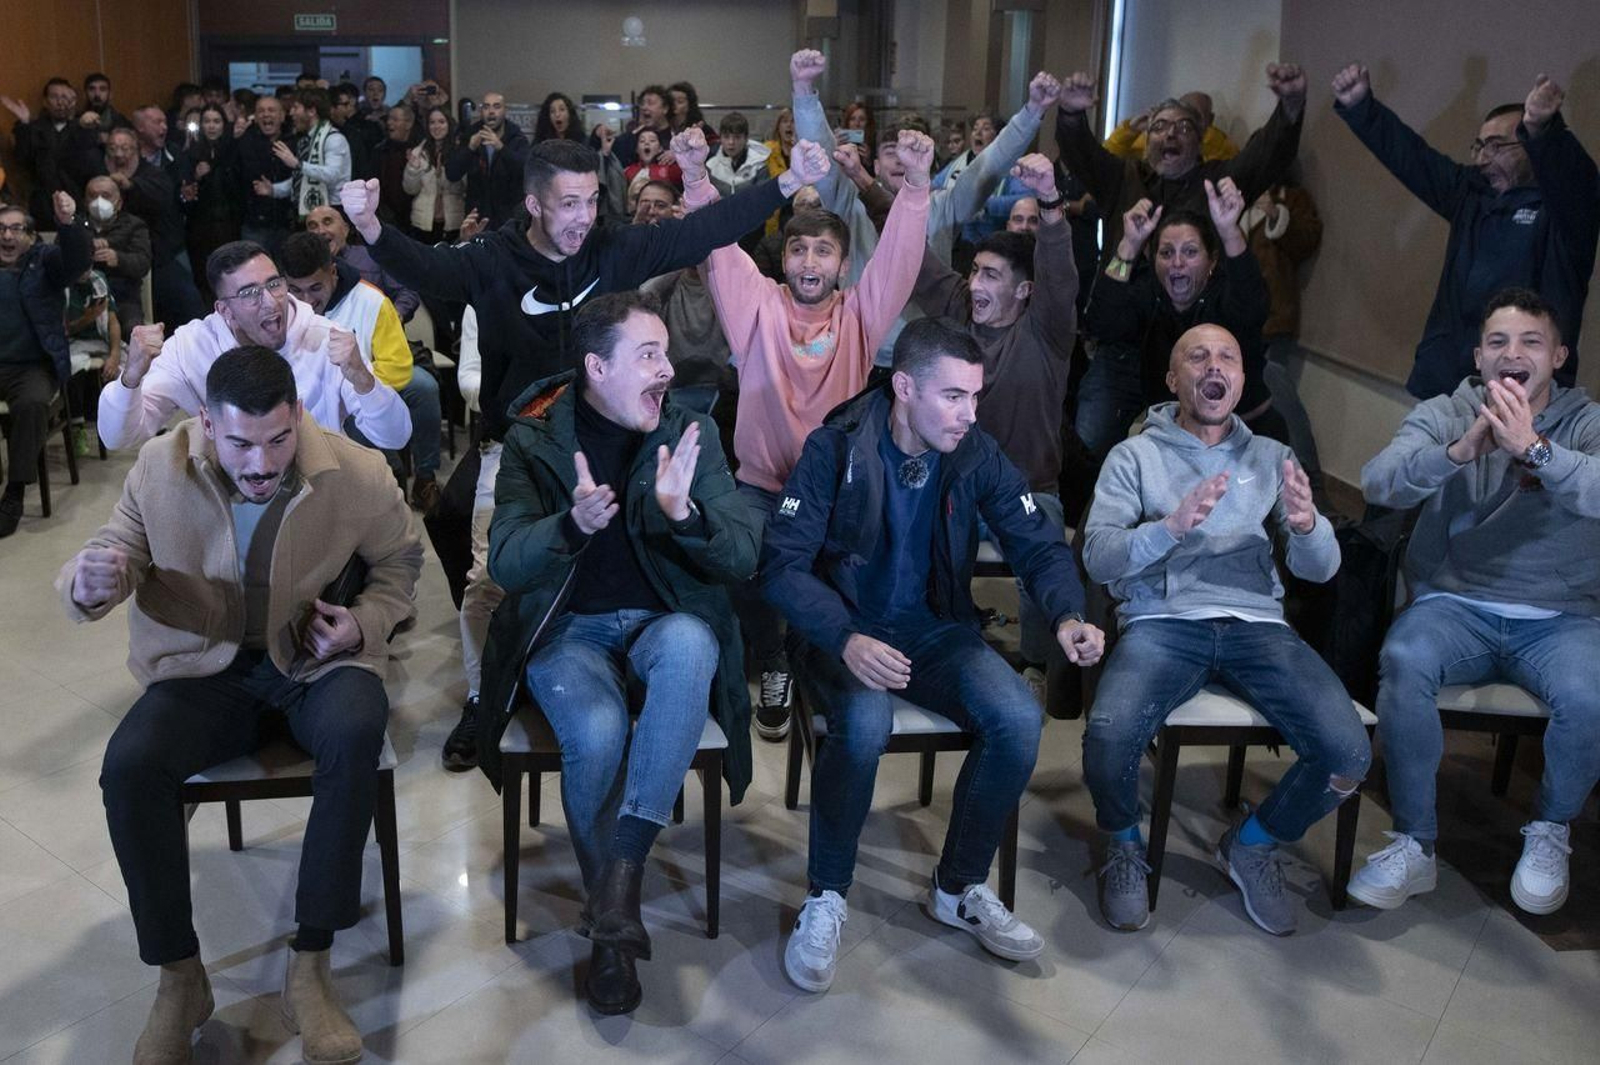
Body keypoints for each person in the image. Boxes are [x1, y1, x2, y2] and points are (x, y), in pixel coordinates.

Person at [346, 129, 833, 768]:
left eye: (591, 202)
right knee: (488, 583)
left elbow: (703, 231)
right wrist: (370, 226)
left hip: (613, 441)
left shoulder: (613, 250)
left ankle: (639, 672)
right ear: (534, 204)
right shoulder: (492, 258)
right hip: (519, 445)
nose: (584, 218)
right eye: (569, 204)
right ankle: (483, 695)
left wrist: (783, 182)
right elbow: (428, 267)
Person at [62, 346, 420, 1065]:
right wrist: (89, 582)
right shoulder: (160, 466)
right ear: (206, 424)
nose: (261, 462)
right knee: (130, 765)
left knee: (356, 731)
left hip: (316, 658)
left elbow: (400, 562)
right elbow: (117, 551)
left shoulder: (356, 471)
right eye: (241, 443)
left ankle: (311, 963)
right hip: (204, 667)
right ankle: (180, 977)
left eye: (279, 439)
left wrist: (365, 622)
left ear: (298, 418)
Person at [761, 318, 1105, 992]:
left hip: (930, 628)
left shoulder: (973, 451)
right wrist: (844, 637)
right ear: (904, 388)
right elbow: (781, 566)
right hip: (841, 628)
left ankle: (957, 887)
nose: (969, 414)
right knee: (863, 724)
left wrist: (1066, 611)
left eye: (975, 397)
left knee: (1016, 717)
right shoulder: (835, 447)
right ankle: (826, 895)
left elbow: (1035, 538)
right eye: (953, 397)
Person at [474, 290, 756, 1014]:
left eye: (666, 352)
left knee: (694, 642)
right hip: (568, 629)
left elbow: (743, 552)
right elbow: (505, 562)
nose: (666, 370)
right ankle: (610, 927)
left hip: (664, 621)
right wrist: (568, 527)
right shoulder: (535, 438)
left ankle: (620, 877)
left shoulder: (691, 431)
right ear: (597, 366)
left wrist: (683, 514)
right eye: (649, 354)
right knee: (597, 731)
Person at [1081, 322, 1368, 936]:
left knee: (1348, 753)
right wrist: (1171, 527)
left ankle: (1253, 842)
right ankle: (1125, 844)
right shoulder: (1135, 456)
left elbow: (1318, 572)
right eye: (1198, 356)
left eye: (1227, 358)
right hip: (1162, 623)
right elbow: (1099, 558)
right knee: (1107, 738)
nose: (1214, 366)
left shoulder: (1271, 457)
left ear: (1240, 379)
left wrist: (1310, 524)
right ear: (1173, 378)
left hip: (1257, 626)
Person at [1354, 287, 1600, 917]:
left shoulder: (1585, 422)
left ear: (1558, 356)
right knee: (1405, 658)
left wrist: (1535, 451)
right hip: (1455, 604)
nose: (1511, 354)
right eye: (1497, 342)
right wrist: (1461, 451)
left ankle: (1550, 830)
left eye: (1530, 342)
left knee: (1591, 694)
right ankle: (1415, 842)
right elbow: (1380, 479)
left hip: (1561, 618)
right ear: (1478, 355)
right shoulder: (1448, 410)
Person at [685, 125, 933, 739]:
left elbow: (900, 259)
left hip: (835, 494)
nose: (810, 263)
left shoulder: (861, 313)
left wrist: (919, 185)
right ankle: (770, 659)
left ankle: (819, 661)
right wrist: (693, 177)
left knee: (848, 579)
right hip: (763, 487)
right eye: (799, 251)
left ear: (843, 264)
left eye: (824, 252)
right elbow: (719, 246)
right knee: (740, 555)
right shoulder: (757, 307)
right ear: (785, 257)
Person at [1056, 66, 1307, 460]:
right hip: (1125, 349)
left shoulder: (1218, 182)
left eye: (1183, 127)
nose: (1170, 134)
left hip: (1199, 345)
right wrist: (1071, 115)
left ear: (1201, 140)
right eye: (1159, 127)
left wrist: (1290, 106)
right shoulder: (1121, 178)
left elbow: (1267, 153)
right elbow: (1081, 153)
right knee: (1092, 445)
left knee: (1256, 421)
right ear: (1145, 139)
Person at [911, 152, 1079, 695]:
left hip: (1028, 490)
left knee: (1044, 544)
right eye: (973, 270)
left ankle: (1034, 663)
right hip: (955, 486)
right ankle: (941, 641)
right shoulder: (963, 312)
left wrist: (1050, 202)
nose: (974, 281)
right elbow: (910, 258)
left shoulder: (1046, 330)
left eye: (990, 274)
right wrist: (875, 186)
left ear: (1024, 290)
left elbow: (1060, 274)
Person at [1332, 67, 1598, 399]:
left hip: (1524, 397)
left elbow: (1579, 184)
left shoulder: (1564, 214)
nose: (1484, 159)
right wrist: (1361, 107)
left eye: (1497, 146)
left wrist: (1544, 129)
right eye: (1480, 147)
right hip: (1443, 386)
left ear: (1530, 145)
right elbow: (1414, 159)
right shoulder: (1470, 194)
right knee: (1413, 454)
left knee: (1538, 454)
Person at [97, 240, 410, 453]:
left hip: (314, 491)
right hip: (224, 496)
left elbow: (395, 436)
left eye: (274, 284)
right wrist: (131, 378)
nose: (270, 301)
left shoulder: (326, 337)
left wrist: (363, 379)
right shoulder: (191, 346)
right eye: (249, 293)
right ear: (224, 310)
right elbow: (119, 437)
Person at [1087, 177, 1286, 444]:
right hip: (1176, 438)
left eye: (1190, 252)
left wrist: (1229, 231)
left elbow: (1252, 303)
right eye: (1166, 253)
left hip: (1247, 435)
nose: (1177, 263)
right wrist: (1129, 246)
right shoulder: (1149, 294)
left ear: (1211, 261)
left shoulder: (1226, 295)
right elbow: (1102, 321)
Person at [279, 230, 443, 511]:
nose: (306, 301)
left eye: (315, 288)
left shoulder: (372, 302)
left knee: (385, 455)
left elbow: (399, 368)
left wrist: (354, 384)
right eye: (295, 290)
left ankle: (422, 479)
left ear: (332, 271)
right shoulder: (275, 307)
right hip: (298, 410)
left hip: (359, 401)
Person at [0, 193, 87, 537]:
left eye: (15, 229)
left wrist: (68, 224)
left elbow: (78, 261)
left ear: (30, 235)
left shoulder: (45, 261)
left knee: (33, 404)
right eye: (1, 229)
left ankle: (14, 494)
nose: (7, 236)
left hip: (33, 366)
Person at [1246, 182, 1323, 488]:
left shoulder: (1290, 197)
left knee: (1274, 394)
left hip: (1274, 317)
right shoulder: (1232, 190)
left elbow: (1305, 241)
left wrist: (1277, 215)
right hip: (1236, 320)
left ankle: (1303, 480)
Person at [104, 127, 208, 329]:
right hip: (117, 263)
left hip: (158, 256)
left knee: (188, 306)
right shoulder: (100, 178)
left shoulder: (154, 175)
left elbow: (162, 198)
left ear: (137, 150)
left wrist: (131, 186)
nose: (118, 155)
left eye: (125, 148)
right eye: (113, 149)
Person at [2, 79, 101, 232]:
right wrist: (24, 125)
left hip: (77, 199)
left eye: (65, 97)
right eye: (54, 97)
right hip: (43, 204)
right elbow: (23, 159)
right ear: (46, 101)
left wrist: (82, 128)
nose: (60, 102)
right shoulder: (34, 128)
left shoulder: (83, 125)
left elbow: (90, 164)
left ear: (74, 101)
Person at [303, 205, 419, 322]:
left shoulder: (374, 256)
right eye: (313, 226)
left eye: (327, 222)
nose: (320, 231)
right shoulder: (303, 269)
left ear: (345, 229)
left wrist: (395, 315)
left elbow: (406, 291)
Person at [179, 104, 243, 298]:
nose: (212, 126)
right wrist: (196, 178)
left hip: (230, 224)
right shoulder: (191, 154)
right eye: (207, 121)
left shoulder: (234, 150)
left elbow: (241, 187)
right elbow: (183, 195)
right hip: (200, 228)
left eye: (217, 121)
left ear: (224, 125)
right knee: (204, 279)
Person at [447, 91, 531, 229]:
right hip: (477, 219)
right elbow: (452, 174)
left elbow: (526, 171)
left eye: (496, 106)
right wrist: (469, 149)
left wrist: (501, 148)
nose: (491, 111)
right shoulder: (469, 136)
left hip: (509, 219)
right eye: (486, 107)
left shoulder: (517, 139)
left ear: (505, 111)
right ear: (481, 112)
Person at [262, 88, 351, 219]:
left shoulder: (334, 139)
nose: (291, 113)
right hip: (307, 210)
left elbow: (332, 175)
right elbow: (303, 179)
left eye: (296, 108)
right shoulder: (306, 140)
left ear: (311, 111)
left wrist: (297, 164)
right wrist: (274, 190)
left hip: (332, 210)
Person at [82, 175, 152, 333]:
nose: (99, 201)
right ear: (85, 201)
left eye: (106, 196)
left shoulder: (134, 225)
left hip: (123, 298)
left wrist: (118, 259)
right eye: (93, 196)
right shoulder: (75, 226)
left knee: (134, 331)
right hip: (83, 299)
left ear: (119, 202)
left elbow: (143, 263)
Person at [1103, 91, 1240, 163]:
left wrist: (1200, 133)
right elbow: (1105, 158)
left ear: (1209, 119)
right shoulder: (1153, 139)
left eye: (1194, 117)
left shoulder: (1219, 144)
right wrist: (1130, 130)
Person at [236, 96, 295, 257]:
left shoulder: (295, 141)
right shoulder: (244, 142)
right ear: (255, 117)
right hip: (254, 224)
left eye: (271, 110)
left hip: (288, 224)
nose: (266, 115)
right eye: (261, 111)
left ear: (282, 116)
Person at [403, 107, 468, 242]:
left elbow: (464, 188)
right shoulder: (419, 152)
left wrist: (452, 170)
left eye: (441, 122)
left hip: (453, 223)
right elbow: (410, 189)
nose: (436, 126)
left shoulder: (460, 152)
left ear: (449, 125)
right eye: (432, 122)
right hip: (423, 223)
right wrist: (414, 170)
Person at [705, 112, 772, 199]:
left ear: (746, 138)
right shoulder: (710, 166)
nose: (731, 142)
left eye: (737, 137)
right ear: (720, 138)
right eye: (726, 137)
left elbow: (765, 201)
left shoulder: (759, 167)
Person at [377, 103, 421, 227]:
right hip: (386, 216)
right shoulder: (380, 151)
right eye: (389, 119)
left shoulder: (420, 150)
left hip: (414, 216)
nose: (389, 123)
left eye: (395, 119)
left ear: (409, 124)